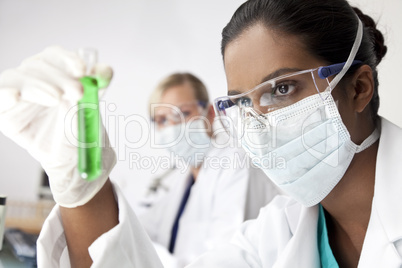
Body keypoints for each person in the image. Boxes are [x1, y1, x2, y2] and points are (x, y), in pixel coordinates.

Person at [0, 0, 400, 267]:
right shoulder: (279, 232)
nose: (258, 122)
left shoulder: (243, 184)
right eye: (242, 102)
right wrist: (82, 186)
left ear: (358, 88)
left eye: (280, 89)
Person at [133, 72, 280, 267]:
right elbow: (140, 230)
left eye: (183, 114)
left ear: (210, 114)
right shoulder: (180, 180)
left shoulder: (236, 163)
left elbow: (227, 257)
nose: (172, 127)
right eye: (162, 120)